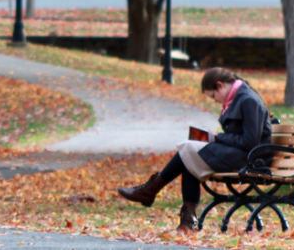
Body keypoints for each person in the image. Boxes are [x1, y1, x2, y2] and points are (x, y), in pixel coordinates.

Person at [116, 67, 273, 231]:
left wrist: (216, 137)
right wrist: (213, 137)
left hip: (253, 160)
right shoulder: (238, 98)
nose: (215, 100)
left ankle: (154, 193)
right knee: (189, 154)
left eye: (213, 96)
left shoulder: (247, 99)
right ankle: (185, 217)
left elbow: (251, 141)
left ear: (220, 85)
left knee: (189, 150)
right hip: (241, 155)